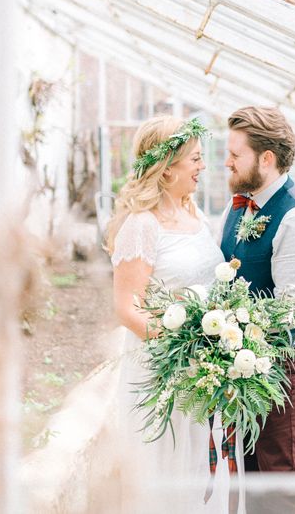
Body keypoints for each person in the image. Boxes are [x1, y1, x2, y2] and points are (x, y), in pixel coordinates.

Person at [106, 115, 238, 513]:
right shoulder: (141, 226)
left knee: (201, 471)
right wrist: (181, 348)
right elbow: (126, 309)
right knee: (165, 476)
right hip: (161, 371)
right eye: (195, 159)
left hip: (201, 372)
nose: (203, 167)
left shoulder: (194, 215)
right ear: (167, 169)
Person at [218, 106, 295, 514]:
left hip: (281, 362)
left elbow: (287, 312)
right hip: (242, 357)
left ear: (266, 159)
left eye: (235, 153)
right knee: (245, 465)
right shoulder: (238, 204)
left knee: (276, 469)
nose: (226, 161)